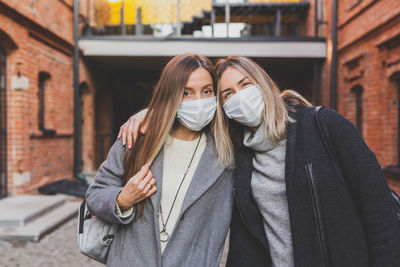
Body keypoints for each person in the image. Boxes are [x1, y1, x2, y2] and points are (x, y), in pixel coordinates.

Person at [119, 55, 400, 267]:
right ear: (222, 107)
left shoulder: (323, 125)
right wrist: (151, 113)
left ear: (264, 84)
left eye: (245, 84)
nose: (239, 97)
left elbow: (378, 210)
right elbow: (245, 242)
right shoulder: (236, 152)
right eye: (227, 94)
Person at [86, 54, 234, 267]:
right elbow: (96, 194)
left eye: (207, 91)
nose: (199, 101)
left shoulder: (228, 151)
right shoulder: (137, 138)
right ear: (171, 95)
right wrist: (122, 200)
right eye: (186, 93)